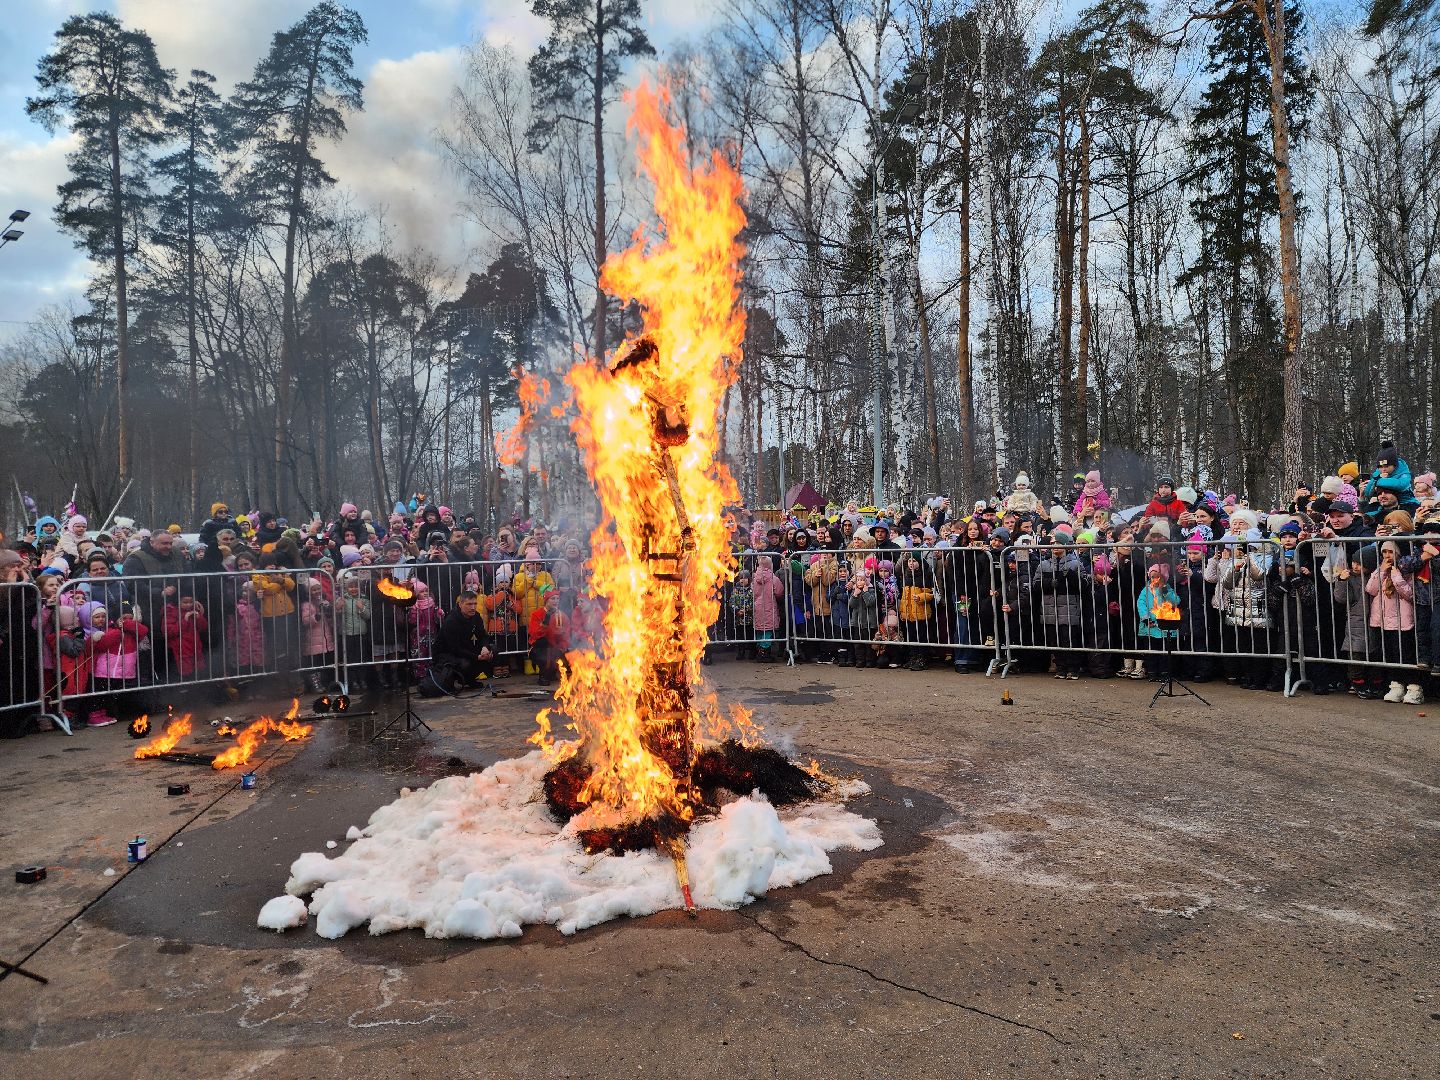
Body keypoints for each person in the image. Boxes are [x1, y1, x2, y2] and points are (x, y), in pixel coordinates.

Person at [431, 590, 494, 690]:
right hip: (446, 654)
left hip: (464, 647)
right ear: (460, 604)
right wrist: (477, 657)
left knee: (493, 652)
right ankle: (455, 680)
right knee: (465, 663)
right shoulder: (451, 621)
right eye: (469, 604)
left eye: (475, 604)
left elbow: (482, 635)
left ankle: (469, 679)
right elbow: (455, 648)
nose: (473, 607)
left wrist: (485, 648)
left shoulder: (476, 616)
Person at [1136, 564, 1181, 683]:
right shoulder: (1146, 590)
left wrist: (1165, 590)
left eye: (1157, 577)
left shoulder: (1168, 589)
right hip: (1150, 627)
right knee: (1151, 652)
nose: (1154, 580)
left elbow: (1176, 601)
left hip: (1164, 628)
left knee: (1165, 653)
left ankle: (1164, 673)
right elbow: (1141, 604)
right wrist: (1145, 618)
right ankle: (1152, 672)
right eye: (1152, 577)